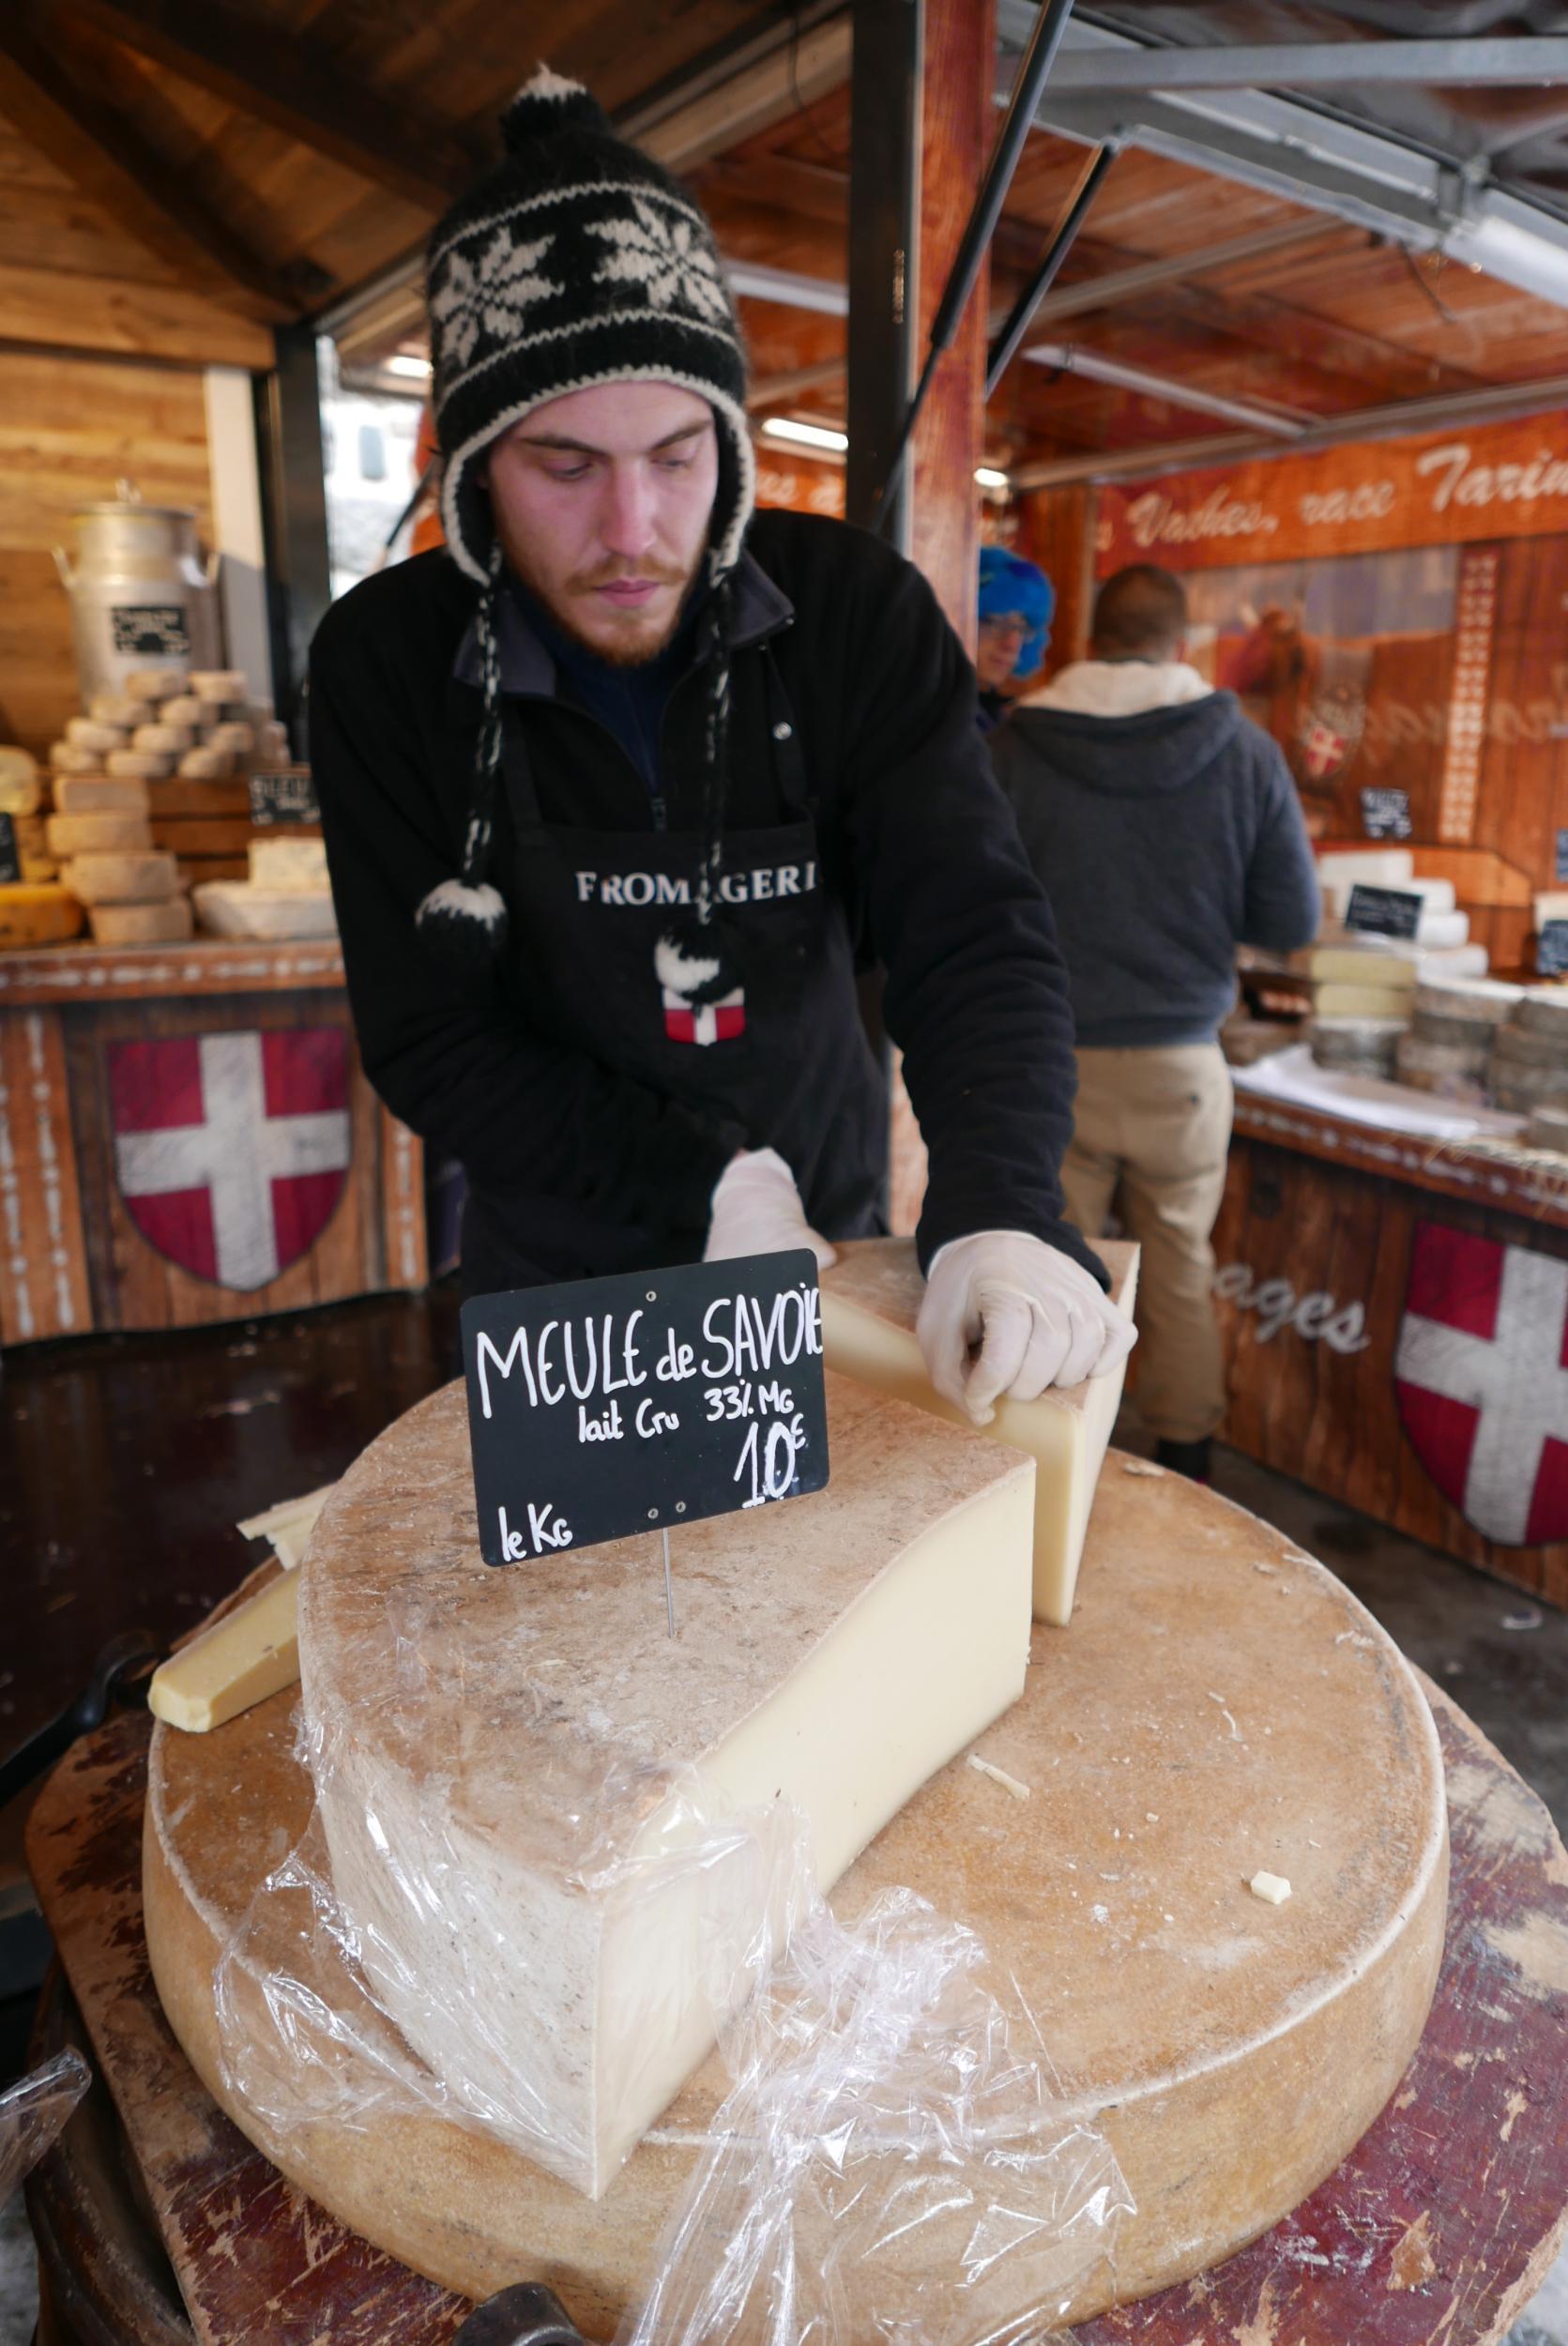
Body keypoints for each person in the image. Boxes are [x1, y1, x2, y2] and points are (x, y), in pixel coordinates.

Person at [308, 69, 1134, 1423]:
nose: (632, 528)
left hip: (826, 1250)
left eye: (678, 455)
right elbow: (430, 1030)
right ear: (467, 470)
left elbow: (966, 922)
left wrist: (995, 1200)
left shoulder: (851, 615)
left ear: (732, 446)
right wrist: (703, 1182)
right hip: (564, 1274)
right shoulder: (386, 667)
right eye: (563, 466)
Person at [989, 563, 1319, 1477]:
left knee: (1050, 1274)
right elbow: (1290, 922)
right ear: (1182, 647)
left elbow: (974, 901)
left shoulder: (1016, 745)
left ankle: (1044, 1475)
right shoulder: (1245, 750)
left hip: (1048, 1065)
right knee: (1177, 1266)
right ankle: (1186, 1464)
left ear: (1092, 641)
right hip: (1181, 1065)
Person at [974, 546, 1055, 731]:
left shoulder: (996, 718)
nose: (1012, 643)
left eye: (1021, 628)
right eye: (997, 622)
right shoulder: (939, 715)